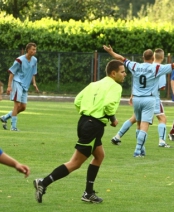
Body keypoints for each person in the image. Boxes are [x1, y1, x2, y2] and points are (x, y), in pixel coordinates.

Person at [33, 59, 126, 204]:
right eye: (122, 72)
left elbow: (77, 101)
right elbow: (108, 105)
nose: (125, 74)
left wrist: (88, 113)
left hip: (84, 121)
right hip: (94, 126)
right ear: (113, 73)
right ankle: (43, 183)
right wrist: (112, 118)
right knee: (75, 163)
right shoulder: (115, 87)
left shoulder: (94, 84)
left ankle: (88, 193)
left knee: (99, 155)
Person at [103, 45, 174, 157]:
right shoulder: (156, 68)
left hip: (137, 99)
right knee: (144, 125)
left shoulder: (135, 65)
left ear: (143, 57)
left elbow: (121, 58)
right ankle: (138, 151)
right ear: (153, 58)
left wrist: (111, 52)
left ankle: (140, 149)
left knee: (138, 124)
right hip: (149, 99)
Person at [111, 48, 171, 149]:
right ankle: (161, 141)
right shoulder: (159, 68)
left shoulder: (139, 67)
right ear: (162, 57)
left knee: (135, 119)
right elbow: (161, 87)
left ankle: (117, 136)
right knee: (161, 118)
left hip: (138, 97)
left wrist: (132, 95)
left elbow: (137, 82)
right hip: (152, 98)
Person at [0, 42, 39, 131]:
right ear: (28, 50)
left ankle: (5, 117)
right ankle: (13, 127)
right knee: (17, 105)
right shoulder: (19, 60)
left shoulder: (34, 60)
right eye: (33, 49)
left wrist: (34, 83)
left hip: (25, 85)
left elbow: (33, 72)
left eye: (35, 49)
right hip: (17, 82)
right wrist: (9, 86)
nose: (34, 51)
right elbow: (12, 72)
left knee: (23, 107)